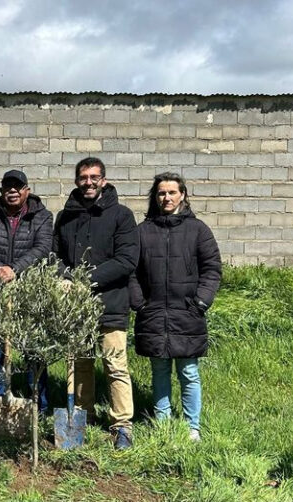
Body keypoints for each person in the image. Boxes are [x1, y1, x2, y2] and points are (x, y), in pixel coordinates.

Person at [52, 156, 138, 449]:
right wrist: (66, 278)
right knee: (80, 364)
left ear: (103, 180)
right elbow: (56, 257)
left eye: (94, 177)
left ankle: (122, 425)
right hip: (76, 307)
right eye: (83, 177)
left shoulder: (121, 216)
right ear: (76, 181)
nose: (88, 182)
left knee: (115, 365)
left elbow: (126, 260)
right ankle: (81, 417)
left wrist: (84, 280)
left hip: (110, 303)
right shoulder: (65, 217)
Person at [129, 172, 221, 442]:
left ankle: (193, 427)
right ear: (154, 196)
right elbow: (130, 271)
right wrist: (139, 303)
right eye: (161, 193)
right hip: (153, 313)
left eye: (171, 192)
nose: (166, 197)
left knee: (188, 372)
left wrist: (201, 302)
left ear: (182, 194)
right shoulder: (142, 231)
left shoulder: (198, 230)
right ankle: (163, 423)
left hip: (187, 313)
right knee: (159, 371)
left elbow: (212, 269)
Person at [0, 169, 54, 408]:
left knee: (33, 350)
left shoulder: (42, 216)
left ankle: (39, 403)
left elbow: (43, 248)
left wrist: (14, 269)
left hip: (29, 294)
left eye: (18, 187)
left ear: (27, 190)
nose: (13, 191)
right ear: (1, 191)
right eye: (8, 187)